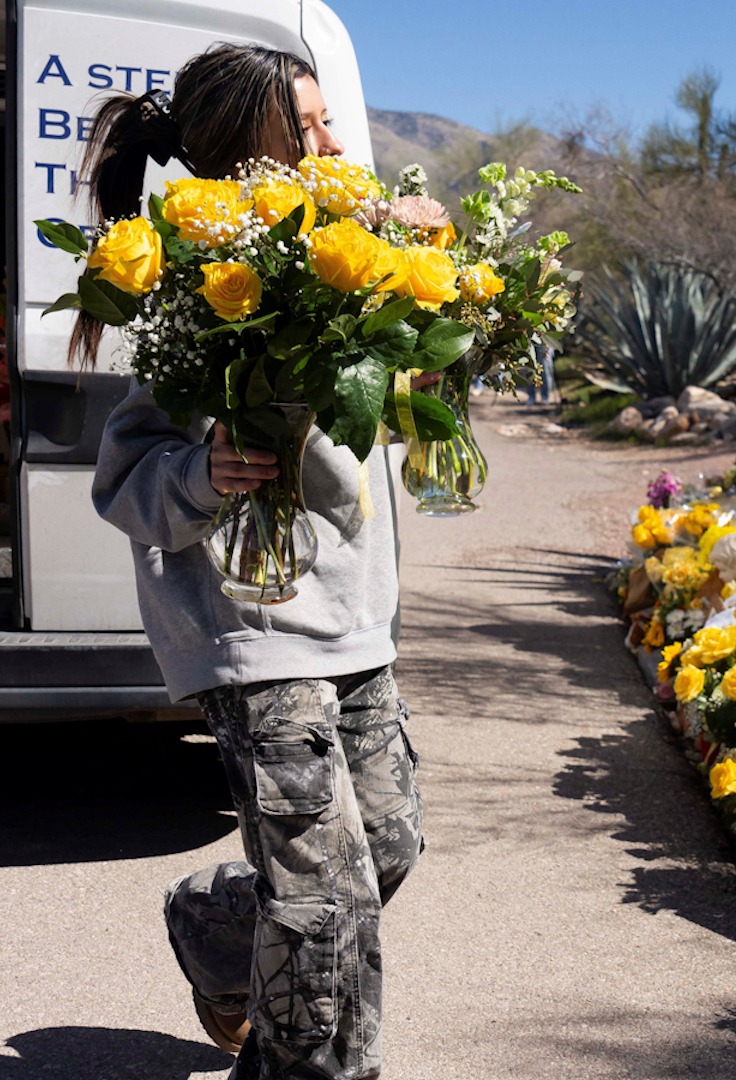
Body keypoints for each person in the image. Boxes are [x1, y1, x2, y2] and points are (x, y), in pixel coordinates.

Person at [78, 44, 424, 1080]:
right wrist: (205, 471)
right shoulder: (202, 282)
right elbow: (124, 477)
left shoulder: (350, 253)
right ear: (249, 147)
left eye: (327, 123)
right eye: (308, 126)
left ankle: (217, 924)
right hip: (251, 628)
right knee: (327, 912)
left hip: (352, 612)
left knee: (390, 849)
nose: (332, 141)